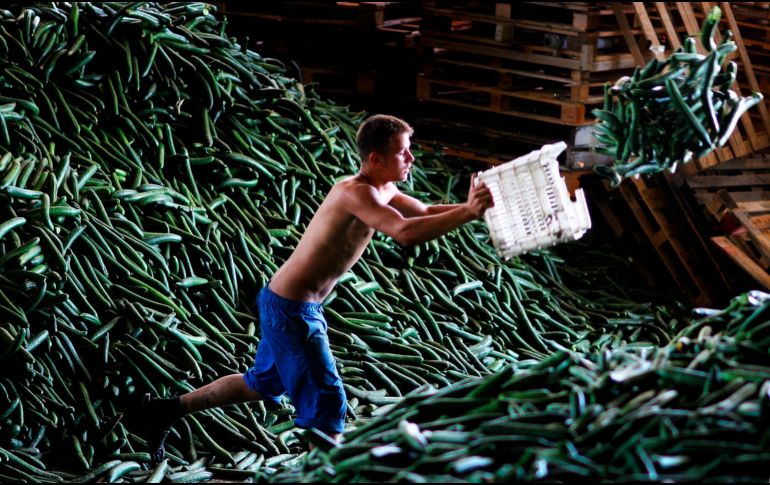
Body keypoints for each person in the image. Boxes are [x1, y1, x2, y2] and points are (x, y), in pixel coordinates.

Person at [140, 114, 494, 463]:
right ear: (376, 159)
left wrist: (469, 207)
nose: (411, 159)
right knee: (328, 403)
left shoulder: (385, 188)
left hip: (285, 302)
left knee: (259, 385)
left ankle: (163, 411)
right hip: (293, 310)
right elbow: (404, 233)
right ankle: (321, 473)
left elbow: (424, 211)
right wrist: (468, 213)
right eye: (403, 152)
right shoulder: (356, 194)